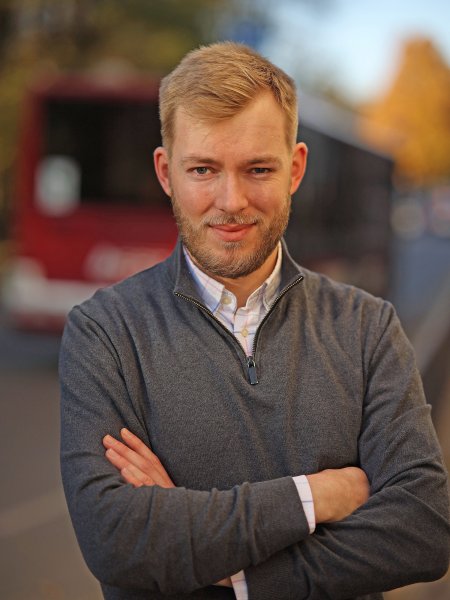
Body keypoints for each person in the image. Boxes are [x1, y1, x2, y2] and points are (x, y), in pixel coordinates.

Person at [59, 42, 450, 600]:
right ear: (167, 173)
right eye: (203, 169)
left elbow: (423, 532)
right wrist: (316, 497)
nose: (232, 200)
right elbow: (116, 539)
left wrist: (233, 573)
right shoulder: (104, 333)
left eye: (258, 169)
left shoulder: (369, 328)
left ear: (295, 170)